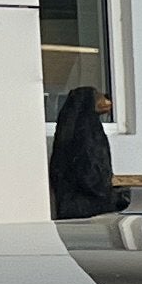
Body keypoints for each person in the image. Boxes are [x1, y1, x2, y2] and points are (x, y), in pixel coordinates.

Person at [46, 84, 125, 219]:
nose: (107, 103)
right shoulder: (86, 133)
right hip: (87, 206)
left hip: (69, 205)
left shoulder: (68, 131)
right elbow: (90, 176)